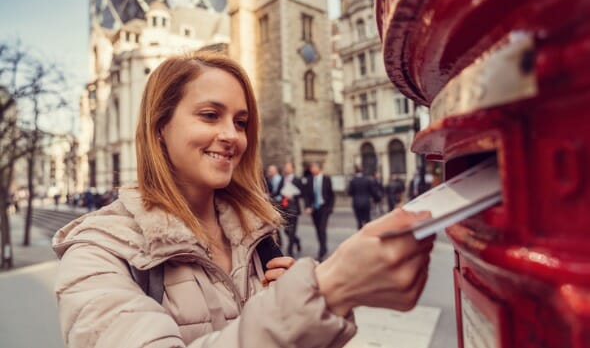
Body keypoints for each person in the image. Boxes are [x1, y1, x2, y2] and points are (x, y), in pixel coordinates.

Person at [52, 51, 434, 348]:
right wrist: (327, 290)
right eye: (209, 115)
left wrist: (295, 311)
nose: (231, 136)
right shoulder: (96, 253)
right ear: (159, 130)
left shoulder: (258, 237)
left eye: (240, 122)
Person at [303, 161, 335, 261]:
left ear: (319, 168)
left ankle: (322, 250)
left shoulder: (326, 179)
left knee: (322, 228)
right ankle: (323, 247)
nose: (312, 170)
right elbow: (307, 195)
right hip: (314, 209)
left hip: (324, 207)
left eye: (313, 167)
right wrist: (307, 206)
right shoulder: (310, 179)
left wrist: (330, 207)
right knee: (318, 229)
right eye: (311, 168)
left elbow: (331, 194)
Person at [278, 161, 303, 256]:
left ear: (292, 168)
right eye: (285, 167)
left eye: (288, 167)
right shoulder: (282, 179)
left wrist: (293, 195)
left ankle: (290, 251)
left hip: (293, 208)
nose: (286, 169)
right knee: (286, 230)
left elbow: (301, 193)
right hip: (284, 208)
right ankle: (297, 241)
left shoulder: (297, 180)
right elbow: (279, 191)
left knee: (292, 230)